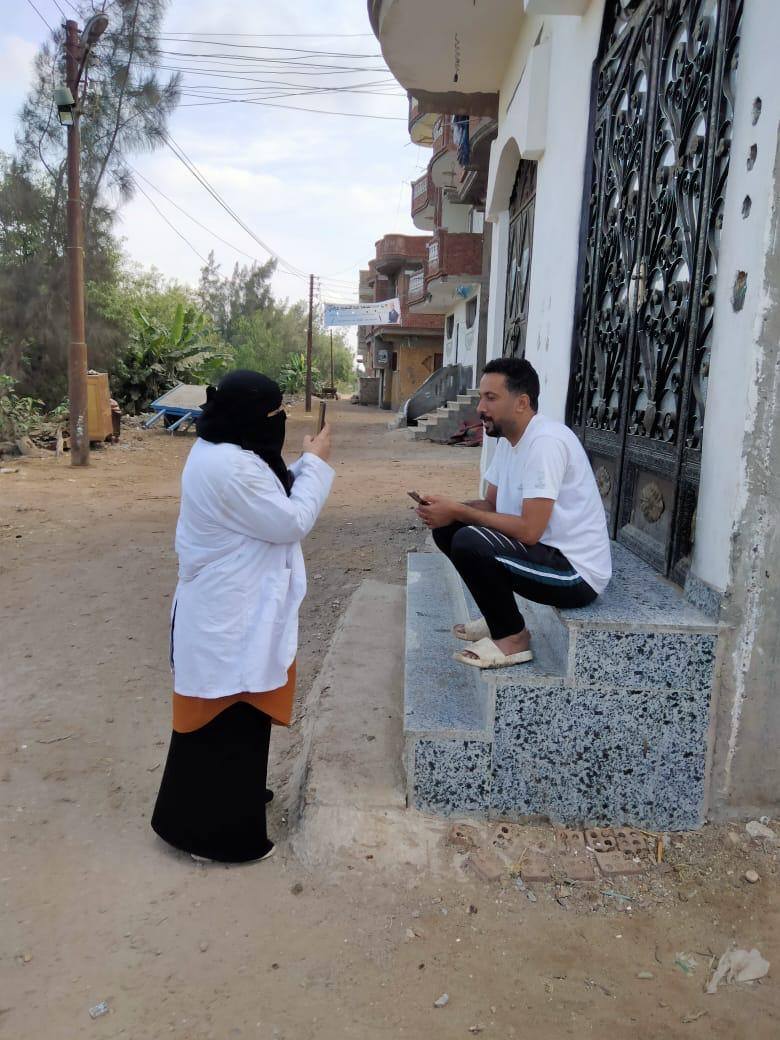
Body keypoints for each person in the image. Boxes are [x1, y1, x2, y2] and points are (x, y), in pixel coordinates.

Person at [151, 370, 334, 863]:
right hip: (226, 614)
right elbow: (291, 520)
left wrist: (305, 462)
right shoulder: (231, 466)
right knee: (220, 718)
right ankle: (212, 838)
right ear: (251, 417)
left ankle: (234, 800)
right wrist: (317, 464)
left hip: (234, 609)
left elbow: (271, 494)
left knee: (239, 715)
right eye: (274, 414)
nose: (279, 421)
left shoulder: (225, 449)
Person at [416, 357, 611, 669]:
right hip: (542, 552)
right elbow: (491, 506)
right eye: (481, 397)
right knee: (449, 529)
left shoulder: (545, 443)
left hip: (574, 573)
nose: (480, 407)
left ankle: (512, 638)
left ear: (522, 403)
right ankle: (497, 617)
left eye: (490, 398)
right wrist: (447, 508)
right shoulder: (507, 440)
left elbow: (530, 531)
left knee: (469, 540)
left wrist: (459, 510)